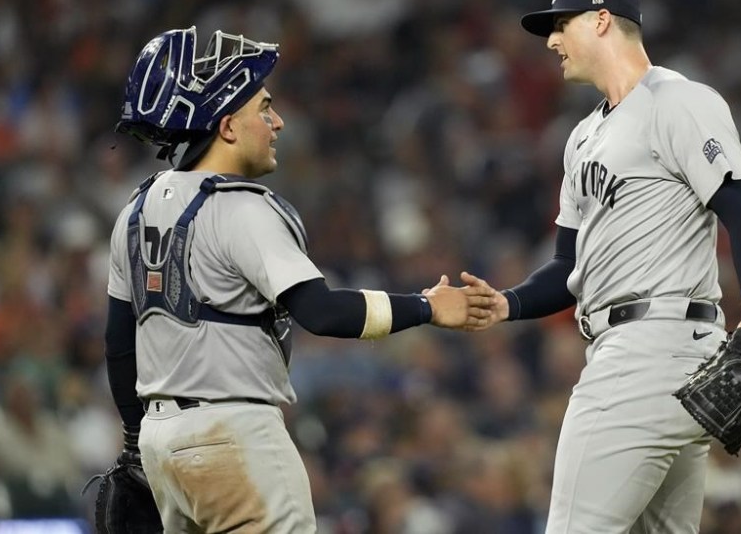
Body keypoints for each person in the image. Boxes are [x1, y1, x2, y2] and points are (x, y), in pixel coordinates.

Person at [104, 26, 488, 533]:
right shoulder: (242, 208)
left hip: (160, 441)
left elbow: (119, 344)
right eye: (264, 108)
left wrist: (136, 442)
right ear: (227, 126)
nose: (277, 121)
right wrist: (429, 307)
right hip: (233, 432)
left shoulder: (134, 209)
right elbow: (323, 313)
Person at [460, 0, 741, 533]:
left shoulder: (678, 101)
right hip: (646, 353)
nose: (552, 41)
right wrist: (507, 304)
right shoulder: (582, 137)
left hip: (647, 353)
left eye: (561, 25)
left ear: (601, 19)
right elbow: (568, 267)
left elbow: (740, 208)